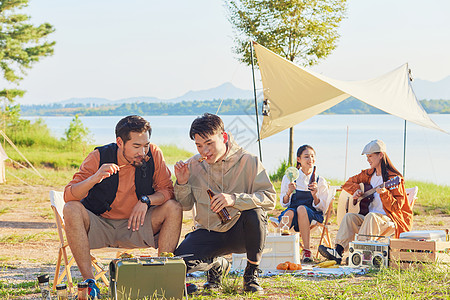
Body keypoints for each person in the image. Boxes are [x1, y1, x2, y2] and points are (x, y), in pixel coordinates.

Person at [63, 115, 182, 298]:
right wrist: (94, 178)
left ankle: (161, 276)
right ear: (120, 142)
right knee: (71, 208)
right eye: (136, 146)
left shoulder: (154, 154)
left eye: (145, 145)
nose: (142, 152)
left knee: (173, 207)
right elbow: (69, 195)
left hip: (137, 226)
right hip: (100, 226)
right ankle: (90, 282)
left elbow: (167, 192)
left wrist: (146, 200)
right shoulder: (98, 157)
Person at [173, 113, 276, 294]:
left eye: (209, 143)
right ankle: (218, 263)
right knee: (179, 263)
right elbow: (185, 205)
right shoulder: (192, 165)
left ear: (224, 137)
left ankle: (251, 275)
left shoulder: (249, 161)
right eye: (199, 146)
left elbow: (269, 198)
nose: (204, 151)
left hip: (241, 231)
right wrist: (182, 183)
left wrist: (235, 199)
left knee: (256, 214)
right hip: (208, 231)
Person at [319, 139, 412, 264]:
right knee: (349, 217)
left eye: (370, 156)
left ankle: (358, 253)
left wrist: (384, 194)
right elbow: (347, 183)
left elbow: (397, 208)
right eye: (367, 157)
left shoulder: (394, 179)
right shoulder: (368, 174)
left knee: (371, 216)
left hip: (388, 220)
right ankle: (338, 251)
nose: (368, 160)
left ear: (381, 155)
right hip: (370, 220)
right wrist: (357, 190)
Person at [270, 145, 332, 263]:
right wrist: (288, 192)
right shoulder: (290, 178)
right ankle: (278, 249)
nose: (310, 160)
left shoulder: (319, 180)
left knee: (302, 209)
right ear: (299, 159)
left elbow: (322, 208)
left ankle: (307, 251)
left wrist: (315, 195)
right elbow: (284, 204)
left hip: (312, 214)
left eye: (312, 156)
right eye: (306, 157)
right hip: (293, 211)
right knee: (288, 212)